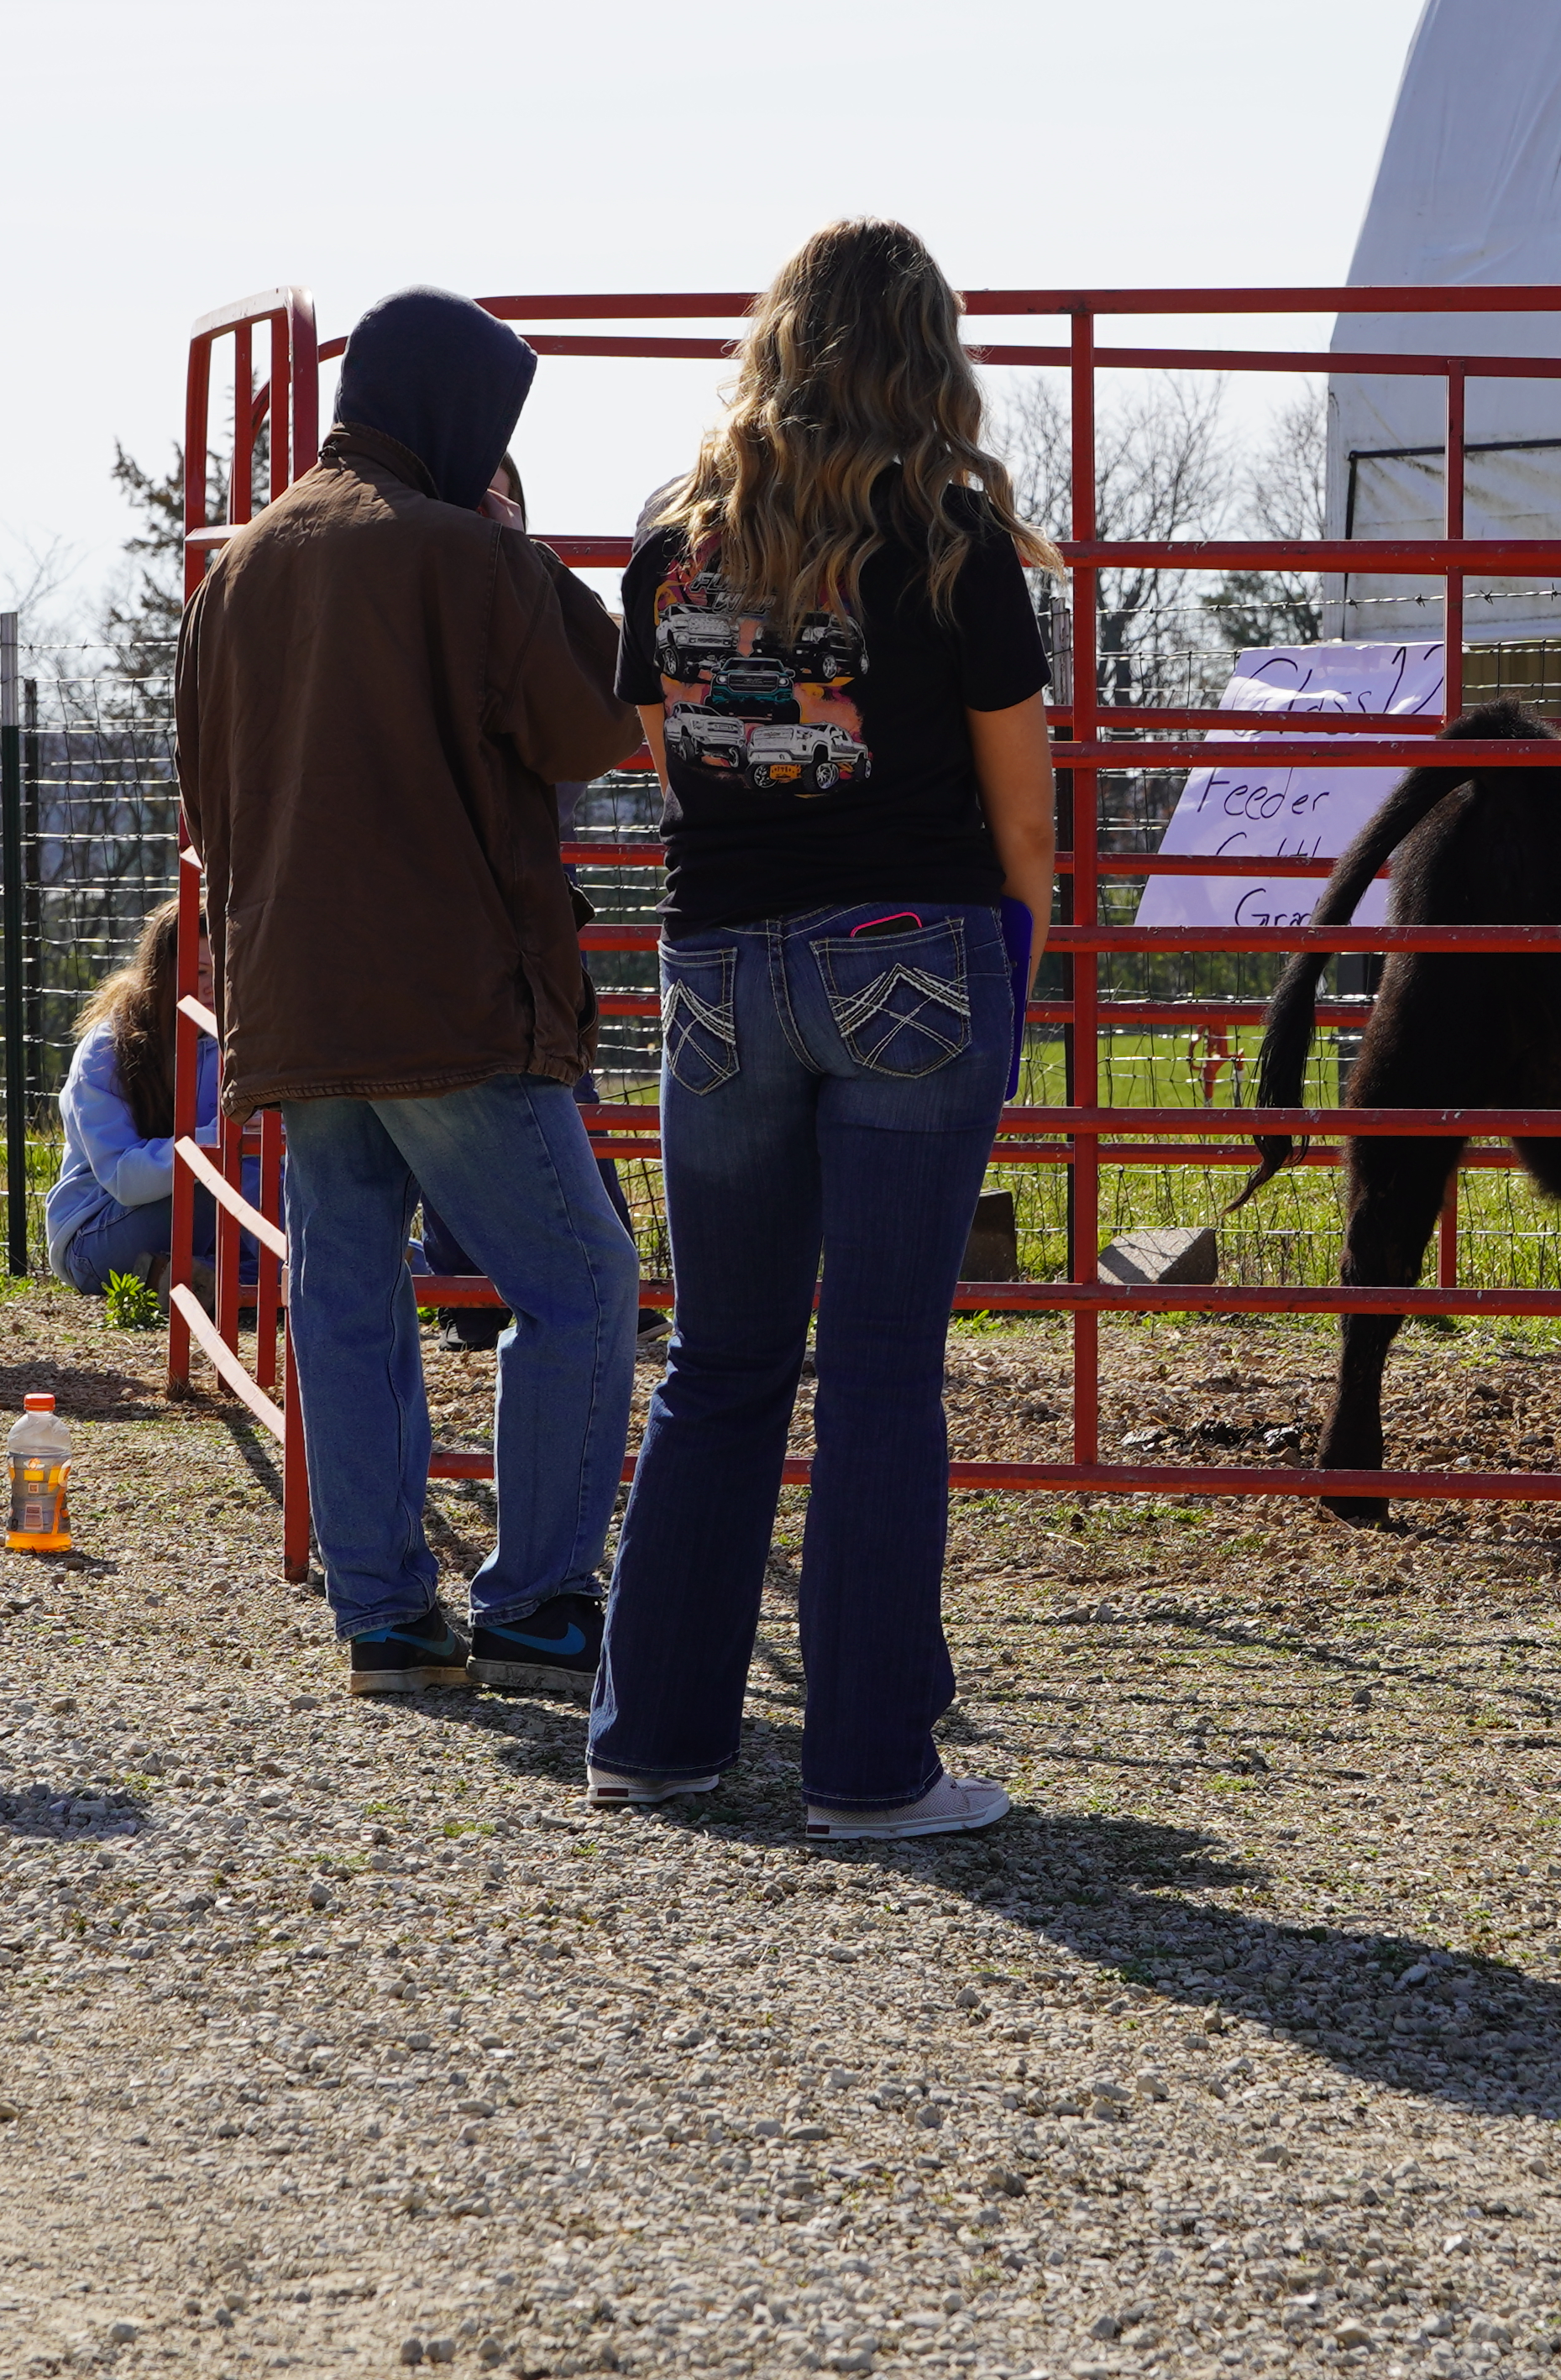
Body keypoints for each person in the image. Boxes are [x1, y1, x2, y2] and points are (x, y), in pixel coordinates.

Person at [587, 220, 1056, 1840]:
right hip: (911, 953)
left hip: (715, 967)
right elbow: (1021, 821)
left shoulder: (670, 545)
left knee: (718, 1360)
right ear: (927, 349)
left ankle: (656, 1735)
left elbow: (668, 761)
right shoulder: (951, 534)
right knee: (873, 1369)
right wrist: (1015, 963)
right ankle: (869, 1768)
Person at [170, 286, 646, 1697]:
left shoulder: (242, 564)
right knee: (581, 1282)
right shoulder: (463, 557)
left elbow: (207, 793)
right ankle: (544, 1600)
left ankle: (383, 1611)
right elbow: (596, 723)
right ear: (452, 414)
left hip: (296, 998)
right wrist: (527, 558)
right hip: (452, 998)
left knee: (348, 1292)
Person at [48, 895, 209, 1298]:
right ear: (163, 973)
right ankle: (222, 1279)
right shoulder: (107, 1049)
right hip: (94, 1235)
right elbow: (123, 1180)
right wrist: (212, 1143)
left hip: (193, 1218)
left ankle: (202, 1279)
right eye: (201, 970)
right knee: (216, 1183)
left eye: (227, 969)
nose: (212, 987)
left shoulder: (232, 1040)